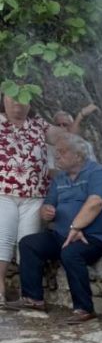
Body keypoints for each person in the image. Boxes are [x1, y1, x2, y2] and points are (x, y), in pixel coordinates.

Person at [7, 133, 102, 323]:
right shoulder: (59, 179)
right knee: (28, 243)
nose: (57, 156)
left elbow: (96, 202)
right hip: (62, 234)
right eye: (56, 152)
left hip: (95, 237)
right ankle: (33, 299)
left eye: (62, 152)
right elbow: (47, 207)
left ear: (78, 155)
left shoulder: (97, 172)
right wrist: (47, 211)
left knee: (71, 253)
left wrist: (76, 226)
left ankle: (84, 309)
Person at [1, 93, 51, 307]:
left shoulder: (39, 125)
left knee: (27, 243)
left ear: (30, 103)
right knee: (3, 240)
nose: (18, 106)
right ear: (4, 100)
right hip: (4, 191)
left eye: (23, 101)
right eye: (13, 100)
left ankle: (27, 293)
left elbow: (64, 139)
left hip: (35, 194)